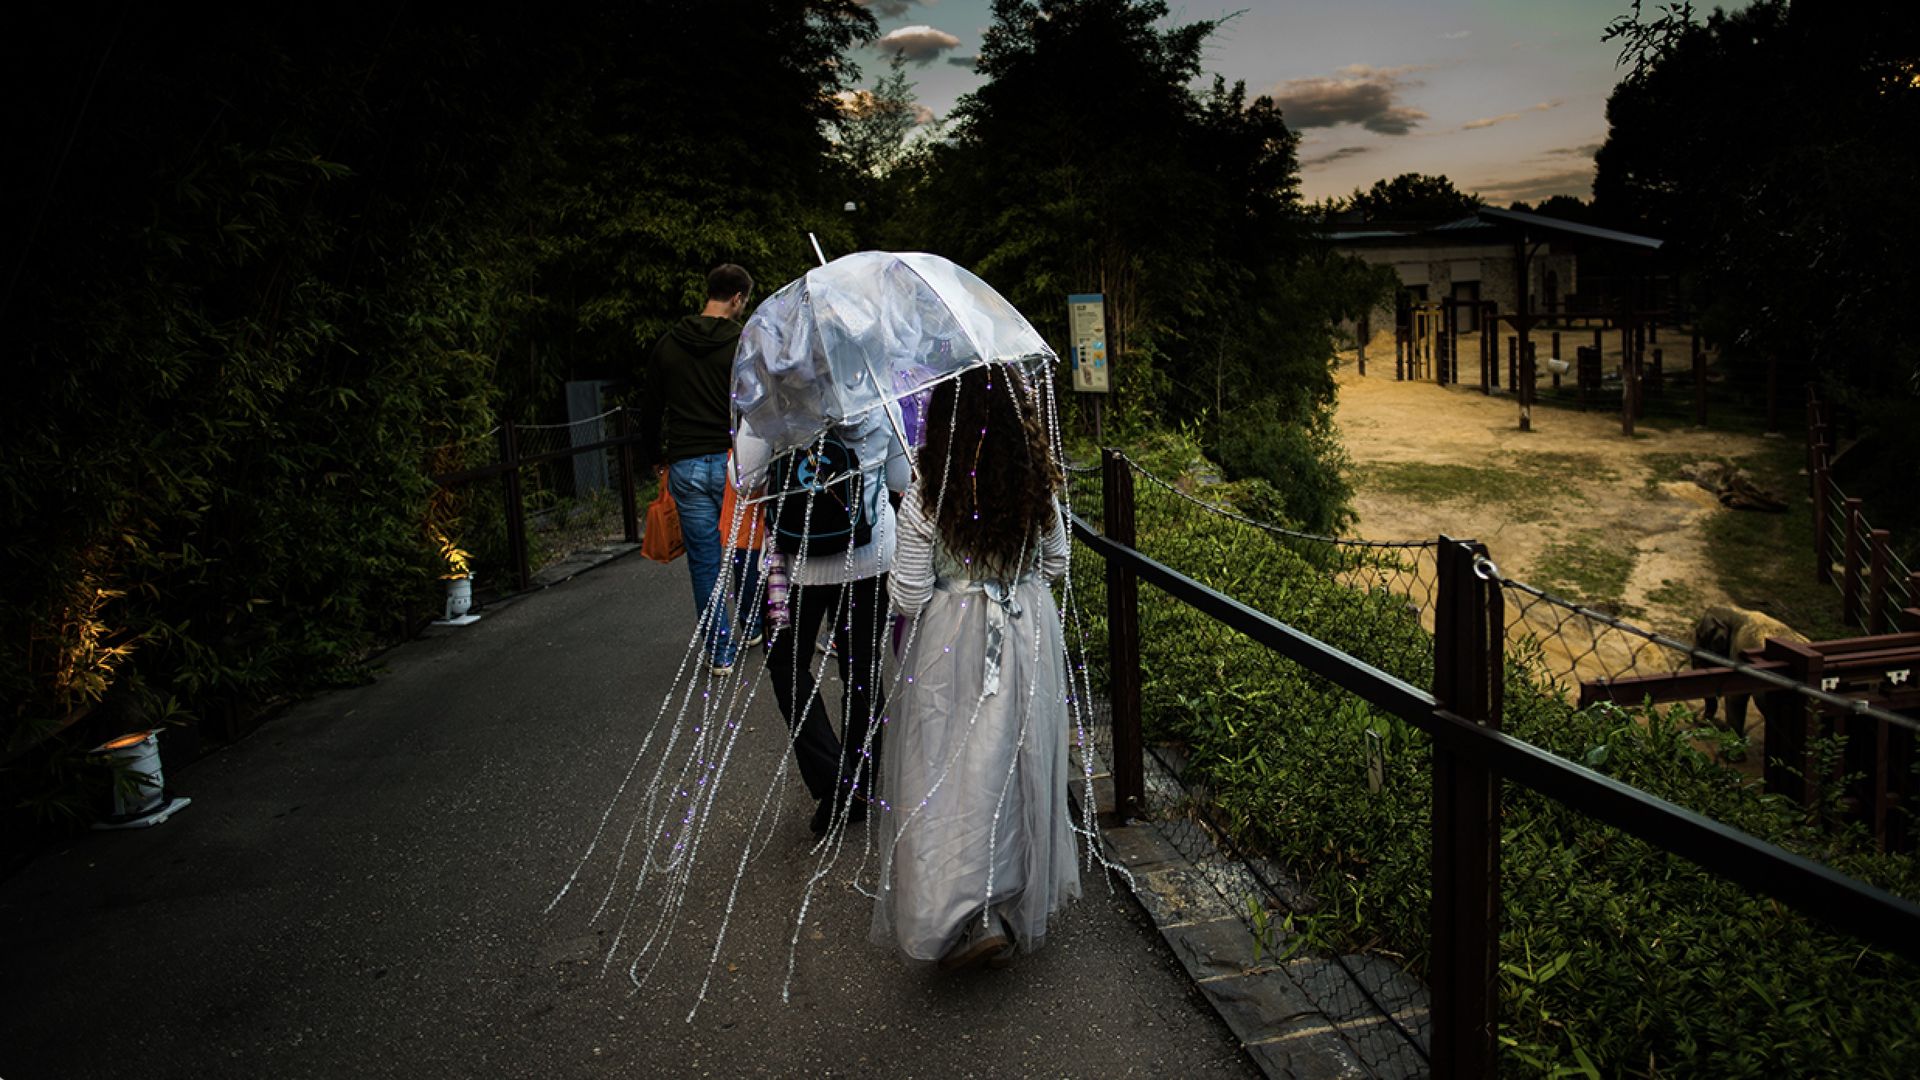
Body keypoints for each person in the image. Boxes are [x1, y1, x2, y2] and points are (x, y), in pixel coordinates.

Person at [870, 362, 1078, 971]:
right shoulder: (1036, 484)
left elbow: (908, 593)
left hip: (948, 646)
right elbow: (1057, 563)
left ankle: (961, 911)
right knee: (1016, 767)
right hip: (1026, 636)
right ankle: (1009, 900)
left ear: (943, 421)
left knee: (946, 773)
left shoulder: (928, 492)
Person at [734, 403, 908, 835]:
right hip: (869, 553)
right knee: (861, 670)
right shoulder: (874, 388)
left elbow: (747, 479)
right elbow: (901, 479)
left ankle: (833, 780)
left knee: (785, 665)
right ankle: (860, 788)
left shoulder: (772, 393)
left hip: (796, 562)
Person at [648, 264, 752, 675]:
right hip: (734, 462)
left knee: (705, 561)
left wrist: (656, 455)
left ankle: (720, 652)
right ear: (738, 299)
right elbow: (756, 402)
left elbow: (652, 406)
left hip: (686, 464)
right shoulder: (743, 344)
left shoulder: (668, 345)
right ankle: (754, 622)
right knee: (745, 545)